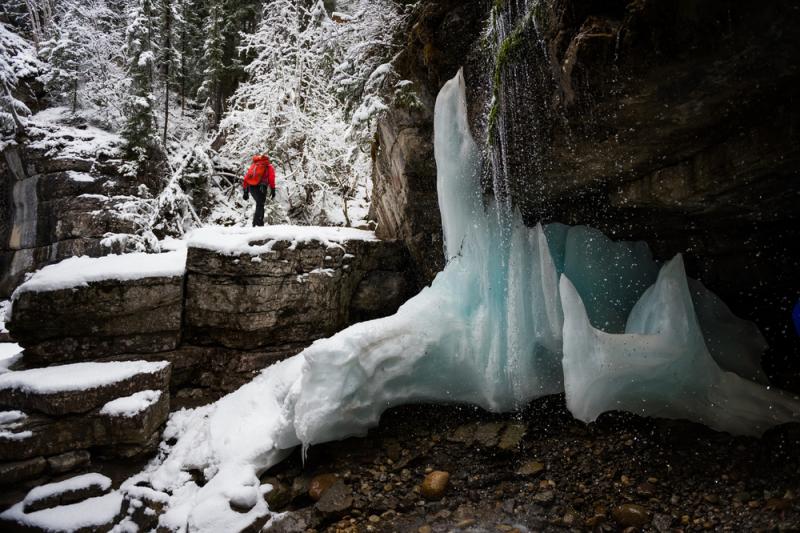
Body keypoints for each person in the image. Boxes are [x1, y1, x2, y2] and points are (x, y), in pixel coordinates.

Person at [242, 154, 276, 227]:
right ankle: (257, 224)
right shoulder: (269, 167)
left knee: (260, 204)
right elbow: (271, 178)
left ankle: (259, 224)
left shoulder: (254, 165)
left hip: (251, 187)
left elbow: (246, 177)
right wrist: (273, 189)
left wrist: (245, 191)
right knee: (260, 204)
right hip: (262, 187)